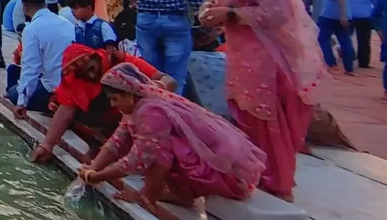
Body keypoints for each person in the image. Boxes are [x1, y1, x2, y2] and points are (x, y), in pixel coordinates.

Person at [198, 0, 327, 201]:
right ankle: (255, 171)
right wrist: (211, 8)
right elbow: (223, 2)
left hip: (265, 55)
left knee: (266, 117)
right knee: (244, 112)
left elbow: (277, 14)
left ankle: (278, 182)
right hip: (241, 51)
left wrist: (230, 14)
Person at [79, 62, 267, 206]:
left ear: (130, 94)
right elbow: (116, 142)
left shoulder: (151, 112)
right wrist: (93, 168)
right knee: (154, 146)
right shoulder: (137, 106)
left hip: (226, 174)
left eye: (115, 99)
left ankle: (149, 196)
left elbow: (137, 160)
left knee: (157, 150)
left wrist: (97, 176)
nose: (113, 105)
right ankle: (179, 193)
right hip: (215, 167)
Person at [31, 44, 176, 164]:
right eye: (87, 75)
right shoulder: (76, 80)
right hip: (120, 122)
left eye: (92, 69)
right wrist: (47, 145)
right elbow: (64, 114)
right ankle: (97, 147)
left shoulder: (122, 63)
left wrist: (151, 89)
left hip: (144, 114)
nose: (92, 76)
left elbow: (169, 80)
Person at [9, 0, 74, 116]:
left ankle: (51, 104)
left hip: (55, 86)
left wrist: (22, 103)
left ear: (25, 7)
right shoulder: (66, 23)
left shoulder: (32, 29)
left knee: (14, 93)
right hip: (70, 82)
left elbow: (31, 67)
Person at [311, 0, 354, 72]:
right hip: (342, 15)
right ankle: (349, 67)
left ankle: (331, 63)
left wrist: (342, 15)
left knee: (323, 39)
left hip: (329, 16)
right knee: (344, 40)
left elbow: (341, 0)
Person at [336, 0, 380, 69]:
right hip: (364, 14)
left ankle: (348, 57)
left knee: (345, 37)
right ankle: (364, 62)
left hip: (345, 14)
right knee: (364, 40)